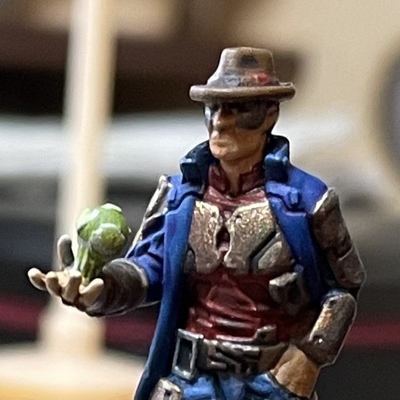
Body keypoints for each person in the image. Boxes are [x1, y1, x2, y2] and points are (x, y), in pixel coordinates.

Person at [29, 47, 365, 400]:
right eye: (213, 108)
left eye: (238, 109)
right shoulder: (179, 197)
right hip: (191, 380)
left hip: (270, 382)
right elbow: (146, 269)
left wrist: (310, 357)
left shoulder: (308, 201)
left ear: (269, 114)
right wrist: (101, 287)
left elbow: (344, 288)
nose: (220, 121)